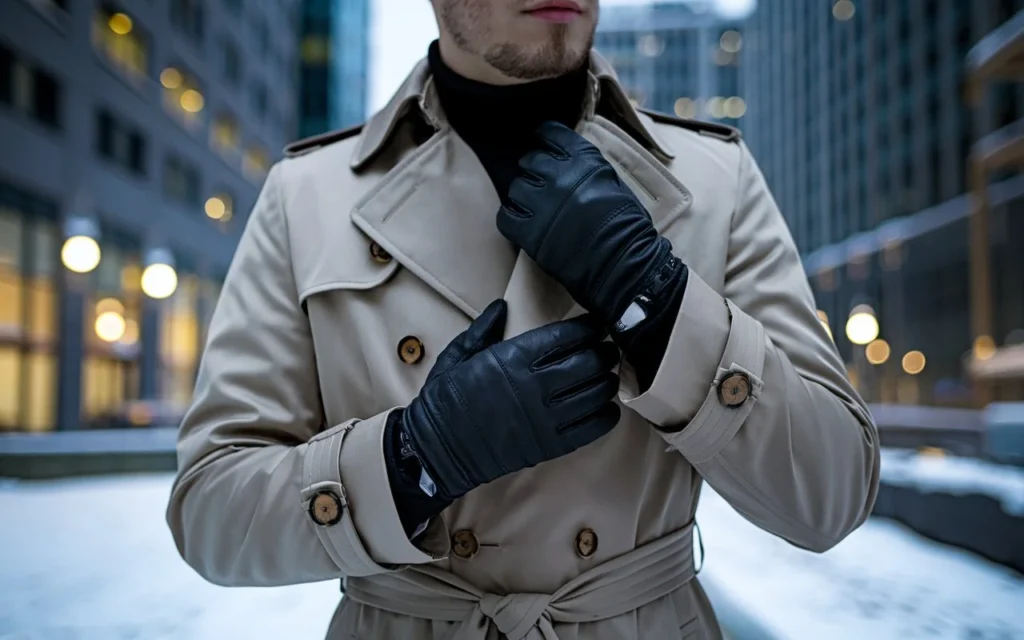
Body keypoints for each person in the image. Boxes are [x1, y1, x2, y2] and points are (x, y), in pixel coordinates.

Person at [166, 0, 881, 637]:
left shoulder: (712, 178)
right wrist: (414, 459)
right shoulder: (307, 195)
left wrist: (654, 297)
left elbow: (830, 493)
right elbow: (211, 514)